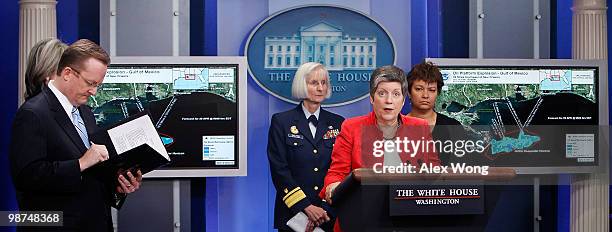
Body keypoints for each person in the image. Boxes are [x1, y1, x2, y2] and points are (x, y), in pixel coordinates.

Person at [9, 39, 142, 232]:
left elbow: (91, 177)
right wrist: (80, 163)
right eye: (91, 83)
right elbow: (27, 176)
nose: (94, 92)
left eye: (98, 85)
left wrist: (117, 186)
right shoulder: (33, 113)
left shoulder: (85, 113)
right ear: (68, 74)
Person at [319, 65, 440, 231]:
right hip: (361, 218)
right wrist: (333, 186)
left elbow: (434, 170)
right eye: (382, 93)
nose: (389, 100)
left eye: (396, 94)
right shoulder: (352, 127)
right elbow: (336, 173)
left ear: (403, 100)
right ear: (372, 97)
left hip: (408, 217)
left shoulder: (419, 127)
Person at [268, 62, 345, 232]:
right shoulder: (281, 122)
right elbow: (280, 170)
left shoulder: (339, 123)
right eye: (314, 83)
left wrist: (325, 209)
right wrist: (306, 207)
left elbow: (341, 170)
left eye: (324, 83)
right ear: (302, 85)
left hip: (328, 214)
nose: (320, 88)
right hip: (293, 214)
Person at [406, 61, 462, 165]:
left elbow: (464, 167)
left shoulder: (454, 127)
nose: (425, 95)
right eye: (419, 89)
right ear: (409, 92)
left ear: (438, 93)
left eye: (431, 90)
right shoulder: (397, 127)